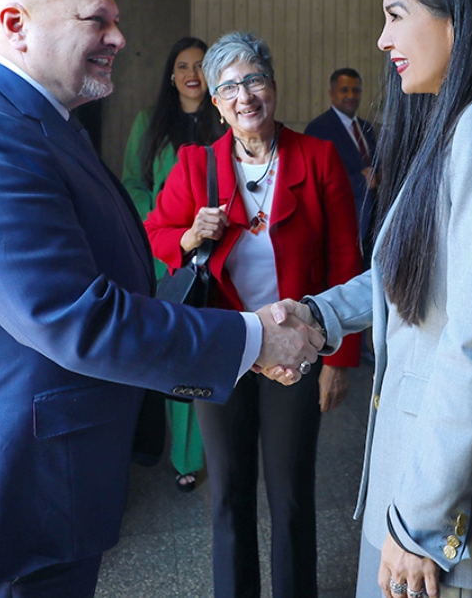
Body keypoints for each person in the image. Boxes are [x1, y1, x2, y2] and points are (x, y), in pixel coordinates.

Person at [0, 0, 323, 598]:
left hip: (48, 480)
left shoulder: (39, 123)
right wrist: (254, 338)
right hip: (10, 492)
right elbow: (75, 317)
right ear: (16, 24)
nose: (120, 39)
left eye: (116, 20)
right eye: (98, 20)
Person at [274, 0, 472, 598]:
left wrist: (420, 526)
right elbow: (412, 274)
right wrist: (319, 313)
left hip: (445, 511)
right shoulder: (457, 121)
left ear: (456, 21)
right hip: (418, 481)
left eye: (396, 14)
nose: (382, 39)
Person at [144, 31, 363, 598]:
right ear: (215, 103)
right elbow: (155, 235)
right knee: (229, 496)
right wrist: (192, 232)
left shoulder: (317, 158)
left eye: (254, 80)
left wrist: (340, 357)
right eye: (229, 87)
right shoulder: (196, 166)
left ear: (273, 85)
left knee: (291, 495)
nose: (244, 96)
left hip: (298, 348)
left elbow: (345, 257)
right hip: (224, 350)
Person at [121, 36, 223, 492]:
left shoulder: (223, 120)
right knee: (175, 351)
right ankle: (180, 452)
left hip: (217, 251)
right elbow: (133, 184)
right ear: (171, 75)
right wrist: (158, 228)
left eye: (201, 65)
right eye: (183, 65)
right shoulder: (149, 122)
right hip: (167, 252)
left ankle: (208, 450)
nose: (192, 73)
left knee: (211, 350)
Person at [304, 68, 377, 256]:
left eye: (356, 90)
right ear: (332, 93)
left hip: (371, 224)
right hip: (341, 224)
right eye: (344, 90)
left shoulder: (366, 127)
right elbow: (316, 180)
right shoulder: (318, 129)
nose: (351, 95)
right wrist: (361, 181)